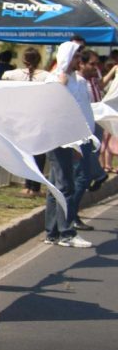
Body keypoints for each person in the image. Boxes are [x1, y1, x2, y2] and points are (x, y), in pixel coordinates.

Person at [44, 41, 93, 249]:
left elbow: (81, 111)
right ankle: (66, 233)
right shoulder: (55, 79)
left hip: (69, 139)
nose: (78, 61)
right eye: (75, 57)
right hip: (58, 139)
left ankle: (53, 232)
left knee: (58, 187)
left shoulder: (75, 80)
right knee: (66, 186)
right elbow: (52, 107)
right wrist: (61, 86)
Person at [1, 47, 50, 196]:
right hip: (39, 118)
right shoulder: (46, 76)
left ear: (23, 60)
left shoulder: (13, 74)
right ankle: (36, 187)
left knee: (26, 153)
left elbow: (3, 79)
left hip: (21, 119)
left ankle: (27, 184)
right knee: (39, 154)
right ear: (39, 60)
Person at [71, 48, 108, 230]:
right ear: (81, 64)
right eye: (91, 64)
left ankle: (71, 215)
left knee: (82, 177)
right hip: (79, 136)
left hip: (90, 133)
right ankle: (71, 216)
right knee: (81, 176)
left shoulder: (89, 80)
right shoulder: (77, 83)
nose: (96, 67)